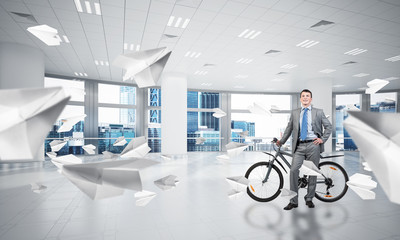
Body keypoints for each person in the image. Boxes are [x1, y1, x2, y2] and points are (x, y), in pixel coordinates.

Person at [277, 89, 332, 210]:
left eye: (308, 96)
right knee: (293, 171)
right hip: (300, 146)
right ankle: (293, 201)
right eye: (303, 96)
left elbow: (328, 127)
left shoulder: (318, 112)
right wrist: (281, 142)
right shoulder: (295, 112)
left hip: (313, 145)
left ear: (311, 99)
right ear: (301, 99)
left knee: (312, 172)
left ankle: (309, 199)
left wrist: (322, 139)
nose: (305, 98)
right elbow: (289, 129)